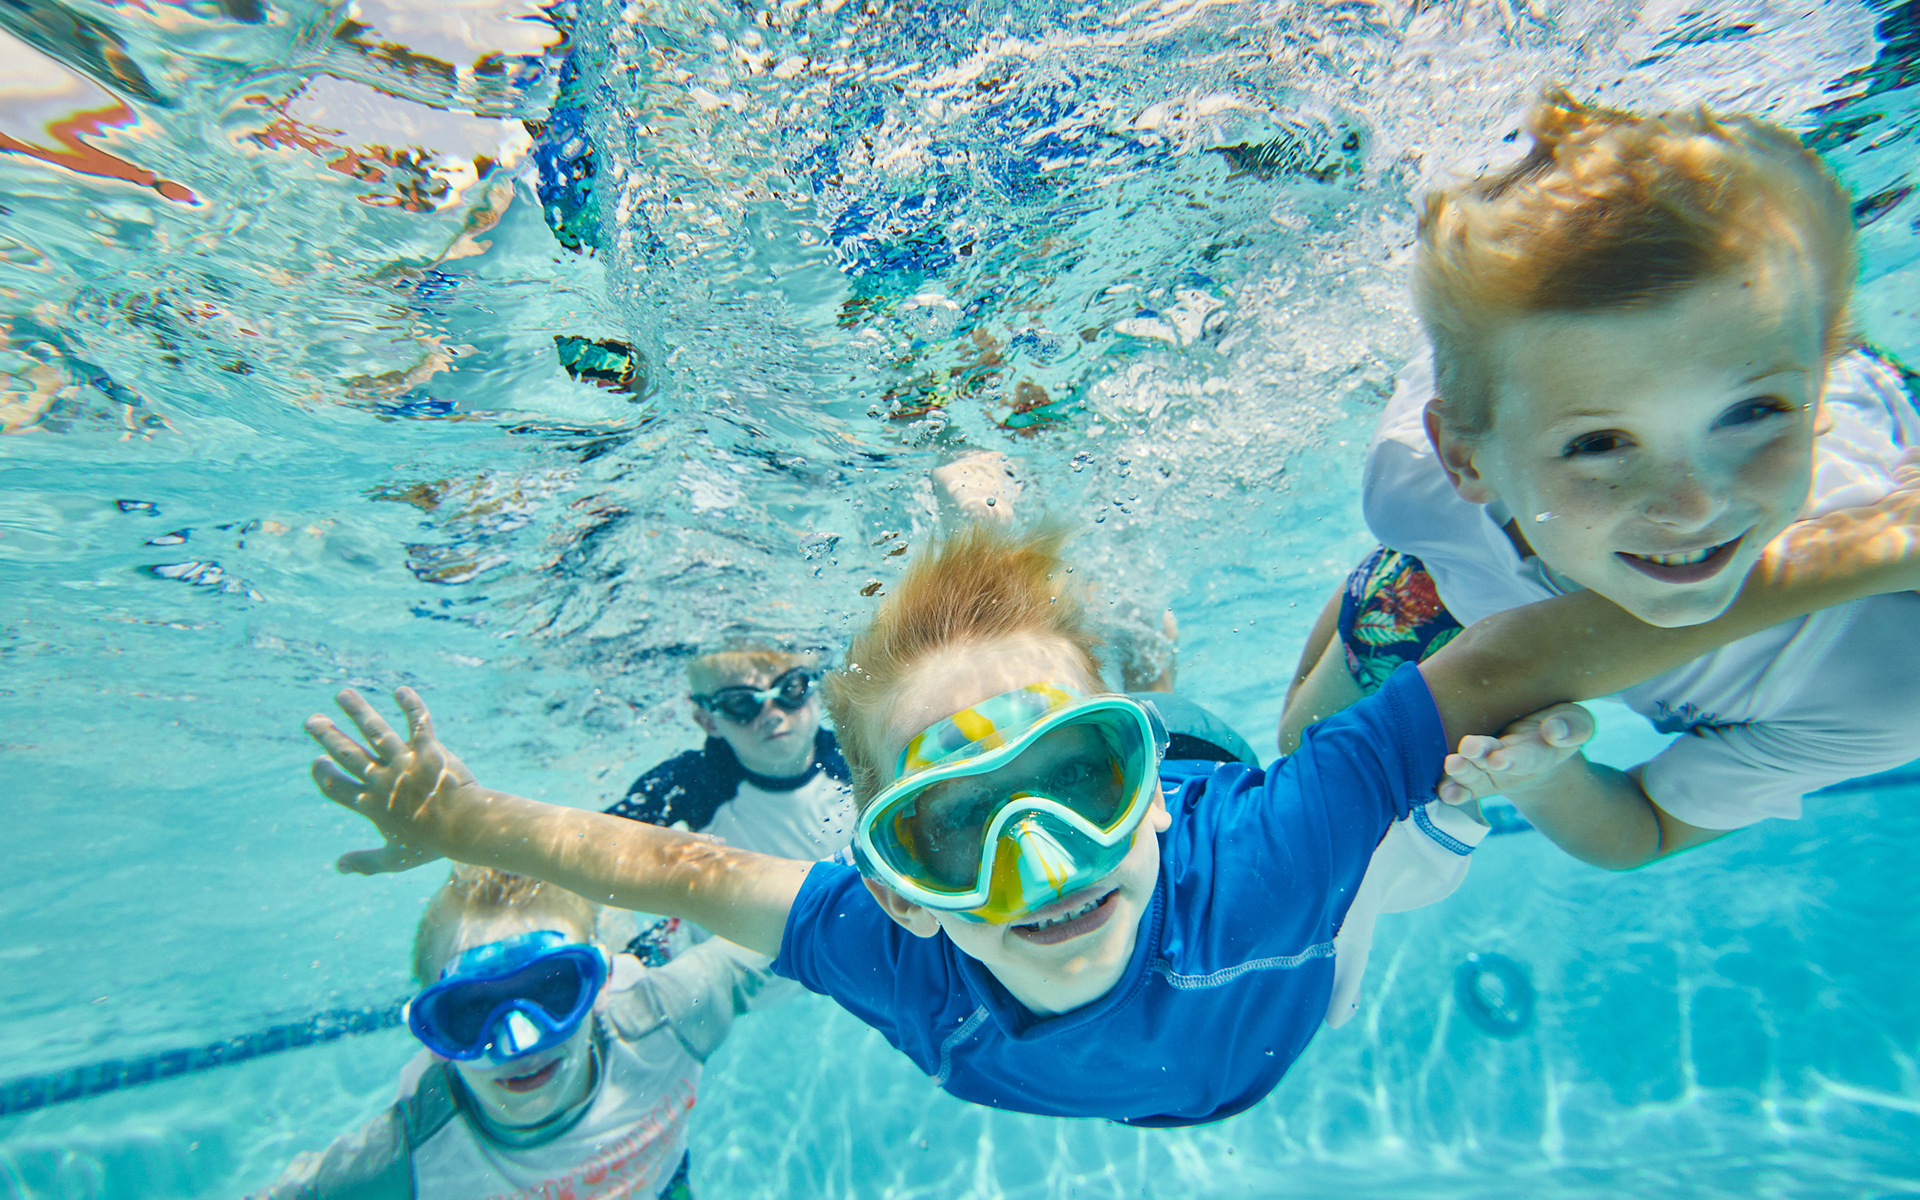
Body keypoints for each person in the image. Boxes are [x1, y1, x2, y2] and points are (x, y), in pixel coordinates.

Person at [303, 493, 1920, 1127]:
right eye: (956, 828)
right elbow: (665, 861)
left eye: (1078, 785)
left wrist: (1865, 553)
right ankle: (1113, 669)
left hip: (1234, 828)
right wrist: (465, 822)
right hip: (1245, 956)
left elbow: (1517, 654)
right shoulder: (883, 946)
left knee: (1364, 779)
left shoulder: (1257, 856)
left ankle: (1173, 694)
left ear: (1134, 803)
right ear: (896, 880)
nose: (1041, 867)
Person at [1280, 89, 1920, 869]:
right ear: (1467, 460)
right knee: (1311, 744)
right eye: (1601, 443)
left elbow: (1642, 830)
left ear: (1818, 396)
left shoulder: (1889, 679)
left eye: (1753, 412)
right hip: (1474, 561)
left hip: (1527, 545)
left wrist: (1546, 778)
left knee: (1317, 769)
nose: (1693, 507)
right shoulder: (1417, 479)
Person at [253, 866, 765, 1200]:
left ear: (601, 985)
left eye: (553, 989)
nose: (519, 1042)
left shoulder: (669, 1019)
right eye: (472, 1010)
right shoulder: (406, 1154)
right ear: (432, 1033)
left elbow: (794, 918)